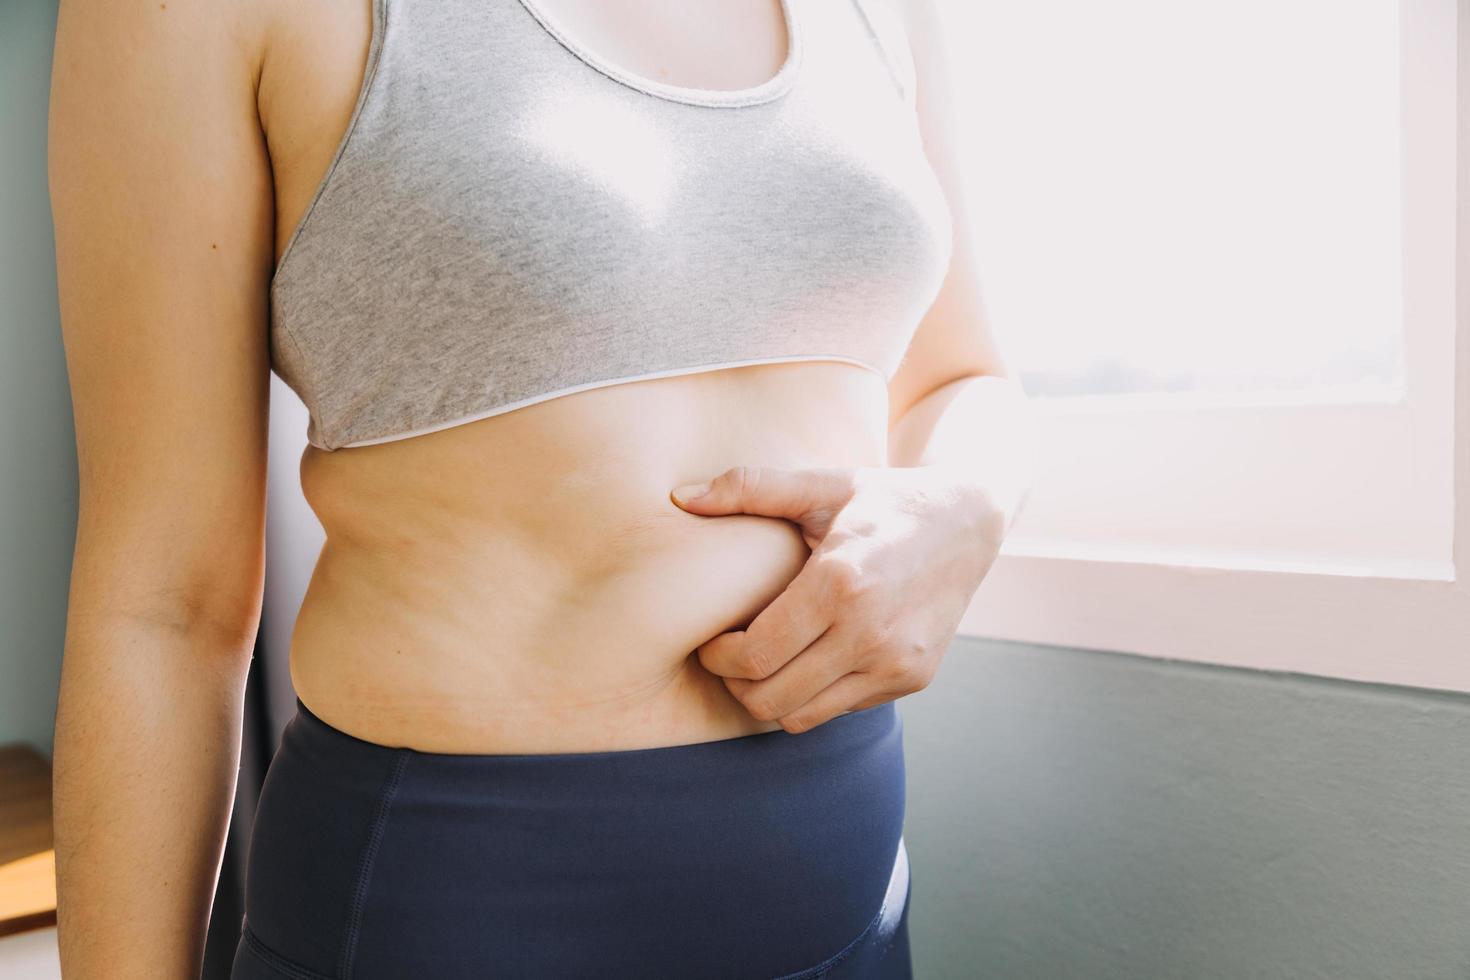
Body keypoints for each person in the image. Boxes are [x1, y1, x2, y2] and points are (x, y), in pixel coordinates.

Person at [46, 0, 1037, 976]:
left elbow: (963, 375)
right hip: (461, 898)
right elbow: (164, 606)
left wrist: (965, 505)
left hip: (848, 876)